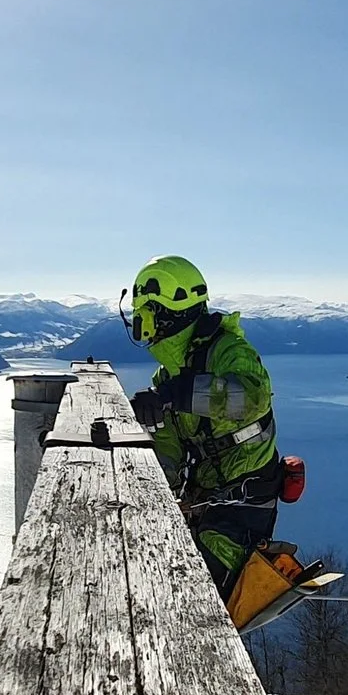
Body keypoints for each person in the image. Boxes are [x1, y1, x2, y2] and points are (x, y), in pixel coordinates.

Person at [123, 254, 282, 602]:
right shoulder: (166, 376)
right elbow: (168, 450)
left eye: (141, 314)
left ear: (157, 312)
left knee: (198, 598)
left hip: (244, 506)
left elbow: (252, 397)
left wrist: (174, 396)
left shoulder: (229, 351)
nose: (139, 324)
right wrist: (145, 489)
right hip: (203, 500)